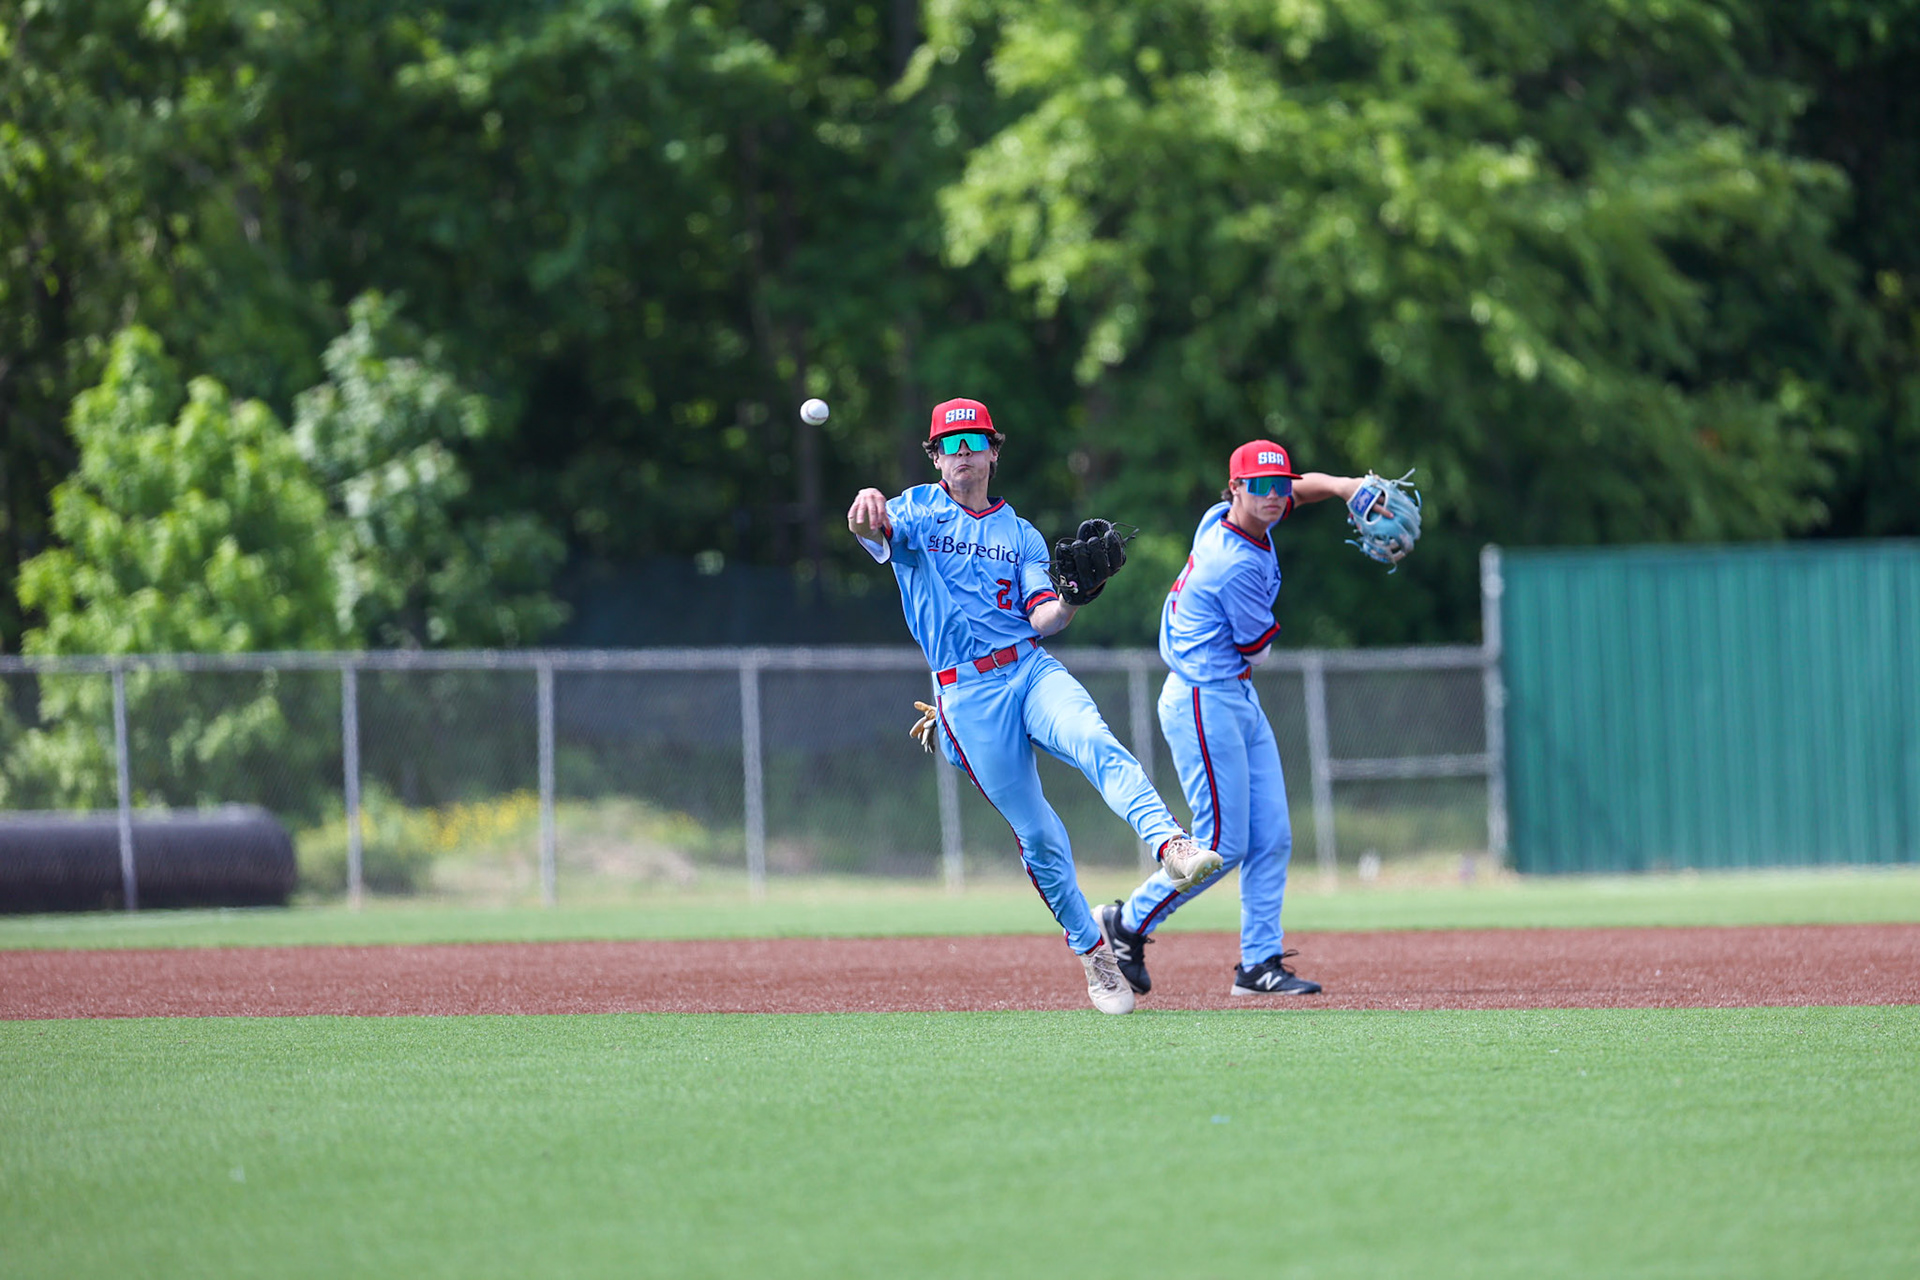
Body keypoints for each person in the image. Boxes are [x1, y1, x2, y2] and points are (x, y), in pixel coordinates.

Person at [846, 397, 1222, 1014]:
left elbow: (1044, 617)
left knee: (1094, 741)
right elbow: (873, 528)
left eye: (973, 444)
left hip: (1027, 668)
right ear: (936, 457)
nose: (961, 455)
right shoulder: (915, 508)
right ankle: (1093, 953)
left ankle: (1171, 844)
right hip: (966, 697)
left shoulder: (1018, 532)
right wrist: (864, 507)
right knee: (1041, 834)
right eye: (949, 446)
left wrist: (1076, 595)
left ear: (993, 451)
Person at [1094, 439, 1379, 998]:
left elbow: (1302, 488)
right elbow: (1259, 652)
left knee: (1271, 836)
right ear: (1235, 490)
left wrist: (1346, 487)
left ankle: (1259, 965)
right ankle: (1126, 924)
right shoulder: (1234, 564)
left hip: (1232, 696)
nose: (1274, 496)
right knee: (1222, 843)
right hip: (1204, 699)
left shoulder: (1227, 517)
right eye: (1261, 487)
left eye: (1279, 485)